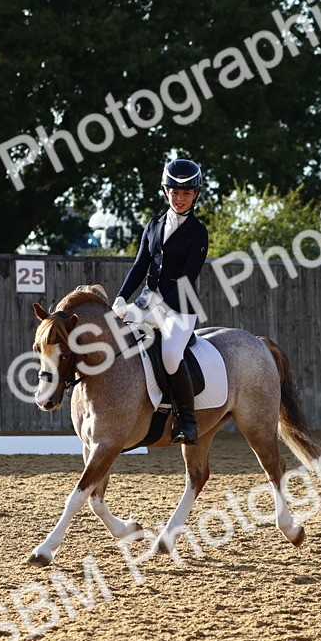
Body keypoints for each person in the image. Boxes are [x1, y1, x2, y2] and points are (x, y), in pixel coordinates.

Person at [112, 158, 209, 445]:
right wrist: (121, 297)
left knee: (169, 356)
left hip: (179, 309)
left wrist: (159, 311)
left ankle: (187, 422)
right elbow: (139, 266)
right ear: (166, 191)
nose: (180, 199)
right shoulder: (153, 225)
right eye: (175, 193)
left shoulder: (198, 232)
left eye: (187, 194)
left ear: (196, 195)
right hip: (145, 303)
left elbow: (187, 279)